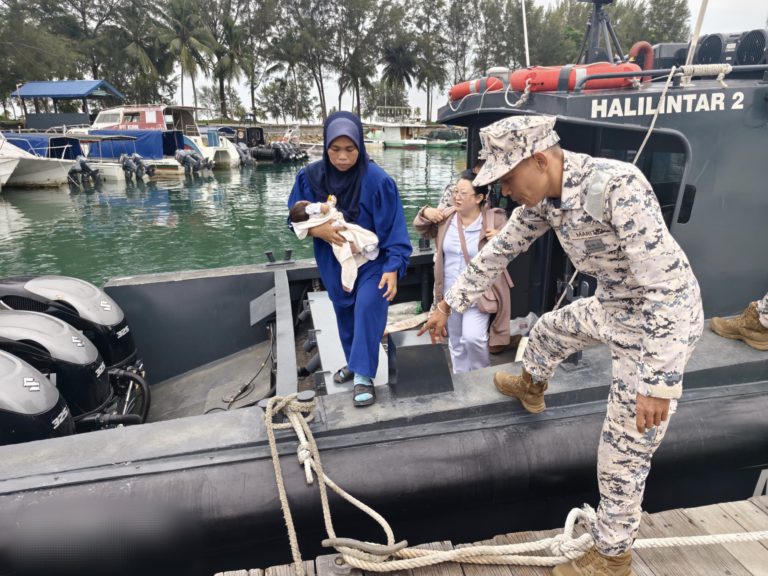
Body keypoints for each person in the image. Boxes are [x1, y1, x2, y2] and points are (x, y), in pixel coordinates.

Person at [419, 115, 703, 576]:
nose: (505, 191)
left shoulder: (617, 187)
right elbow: (500, 250)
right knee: (549, 330)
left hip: (656, 324)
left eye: (508, 179)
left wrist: (659, 382)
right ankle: (532, 385)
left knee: (624, 448)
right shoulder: (545, 200)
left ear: (539, 159)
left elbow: (667, 290)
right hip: (614, 305)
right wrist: (448, 305)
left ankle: (613, 555)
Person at [288, 111, 411, 407]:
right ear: (326, 146)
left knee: (368, 307)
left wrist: (393, 268)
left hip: (373, 261)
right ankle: (353, 363)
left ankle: (363, 376)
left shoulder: (378, 181)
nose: (342, 157)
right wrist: (320, 229)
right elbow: (293, 218)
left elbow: (395, 228)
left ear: (360, 146)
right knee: (345, 315)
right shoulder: (310, 177)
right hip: (334, 262)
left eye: (350, 149)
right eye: (335, 149)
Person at [413, 170, 511, 372]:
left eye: (463, 193)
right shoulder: (445, 218)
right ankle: (461, 379)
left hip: (479, 293)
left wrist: (501, 237)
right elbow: (421, 228)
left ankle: (480, 376)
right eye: (455, 191)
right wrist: (424, 212)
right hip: (448, 293)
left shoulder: (495, 220)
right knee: (456, 341)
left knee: (474, 338)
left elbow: (515, 240)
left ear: (479, 198)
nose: (456, 197)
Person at [289, 195, 380, 292]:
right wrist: (330, 202)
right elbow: (325, 207)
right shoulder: (310, 208)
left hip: (332, 244)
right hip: (335, 227)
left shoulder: (302, 219)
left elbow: (293, 224)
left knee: (344, 252)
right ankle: (365, 248)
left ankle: (348, 280)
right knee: (354, 235)